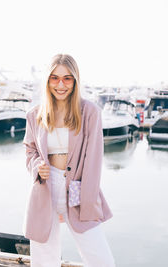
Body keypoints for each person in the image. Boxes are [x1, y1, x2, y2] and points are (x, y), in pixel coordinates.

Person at [22, 54, 115, 267]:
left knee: (102, 260)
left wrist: (88, 198)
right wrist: (37, 167)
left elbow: (94, 162)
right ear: (47, 81)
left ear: (75, 81)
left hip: (80, 189)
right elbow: (29, 150)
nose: (60, 84)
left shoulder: (90, 112)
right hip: (45, 189)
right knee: (44, 259)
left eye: (67, 78)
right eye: (54, 78)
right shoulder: (34, 115)